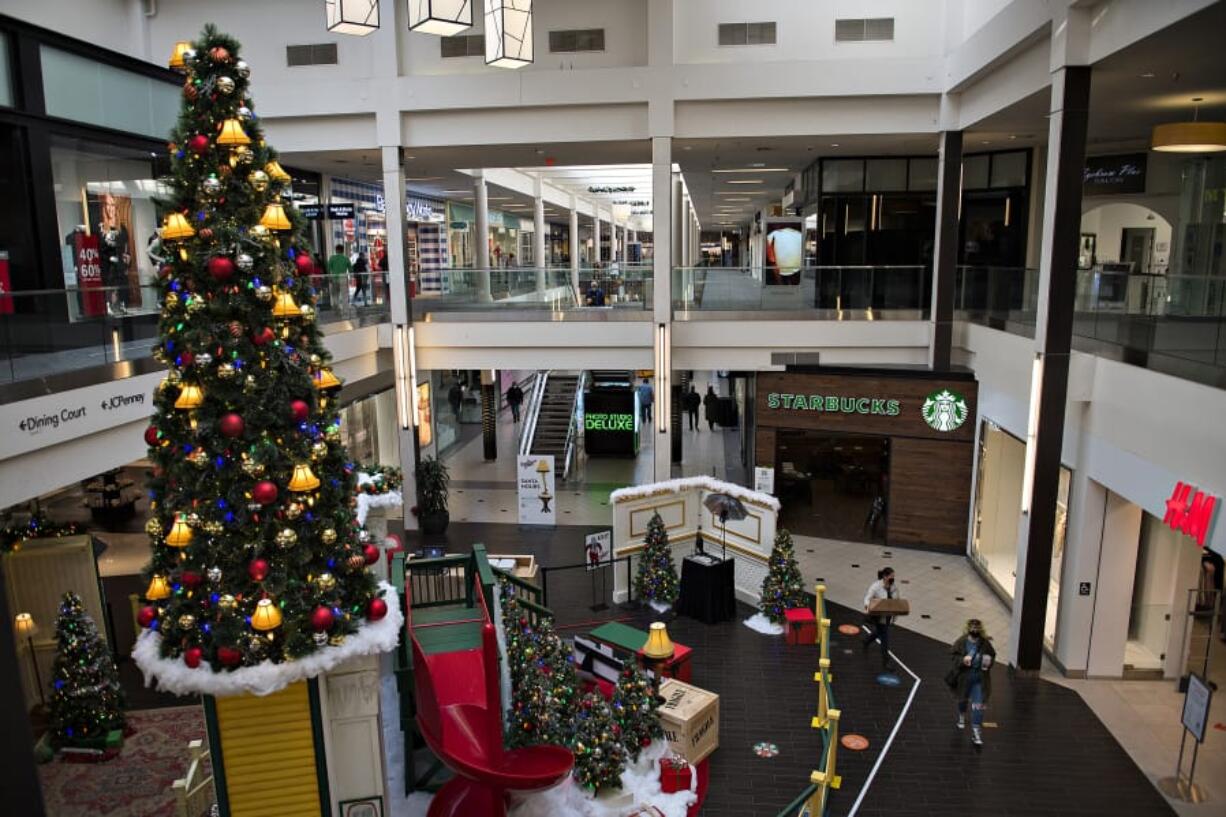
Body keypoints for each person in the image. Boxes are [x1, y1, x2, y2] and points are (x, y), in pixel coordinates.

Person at [948, 619, 996, 746]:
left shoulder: (985, 644)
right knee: (962, 699)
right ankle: (962, 715)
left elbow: (992, 655)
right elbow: (953, 656)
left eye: (977, 629)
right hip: (964, 678)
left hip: (979, 680)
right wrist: (963, 660)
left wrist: (989, 662)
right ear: (968, 629)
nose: (975, 631)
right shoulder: (961, 642)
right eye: (973, 628)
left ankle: (976, 732)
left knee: (978, 706)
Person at [862, 567, 899, 668]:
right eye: (891, 577)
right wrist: (868, 608)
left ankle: (867, 640)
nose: (893, 579)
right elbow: (867, 598)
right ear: (884, 576)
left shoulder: (893, 587)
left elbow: (896, 601)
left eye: (893, 577)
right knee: (885, 638)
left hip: (888, 616)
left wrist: (894, 618)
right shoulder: (876, 586)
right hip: (878, 616)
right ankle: (886, 662)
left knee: (879, 633)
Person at [327, 243, 352, 310]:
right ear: (343, 250)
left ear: (336, 250)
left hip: (334, 278)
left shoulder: (332, 258)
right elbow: (350, 269)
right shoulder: (346, 258)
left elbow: (328, 269)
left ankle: (336, 308)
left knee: (335, 295)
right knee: (344, 295)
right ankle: (345, 310)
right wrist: (351, 278)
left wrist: (329, 278)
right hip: (343, 277)